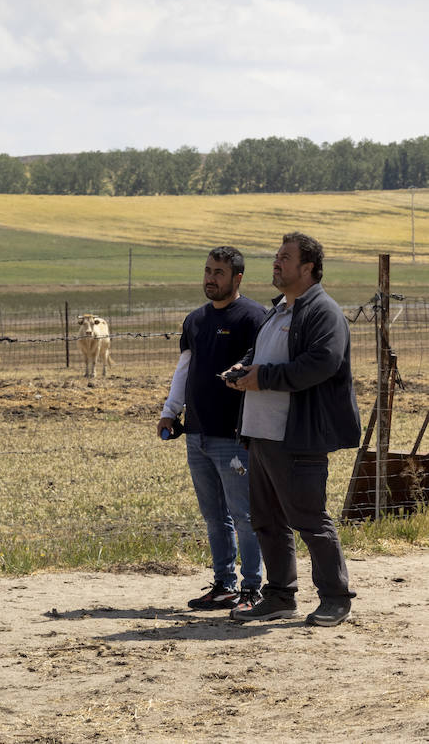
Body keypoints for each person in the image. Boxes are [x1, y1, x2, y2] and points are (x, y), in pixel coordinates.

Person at [225, 232, 360, 627]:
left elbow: (322, 363)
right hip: (263, 434)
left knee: (309, 520)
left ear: (308, 268)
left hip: (299, 436)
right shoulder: (279, 310)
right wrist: (242, 369)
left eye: (285, 257)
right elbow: (260, 355)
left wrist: (262, 377)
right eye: (276, 256)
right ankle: (280, 596)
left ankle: (336, 598)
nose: (276, 262)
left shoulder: (323, 311)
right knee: (266, 520)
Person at [158, 247, 267, 610]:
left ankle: (254, 589)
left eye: (218, 272)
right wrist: (170, 411)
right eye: (207, 270)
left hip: (235, 437)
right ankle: (224, 585)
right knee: (214, 517)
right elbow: (184, 369)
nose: (210, 278)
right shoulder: (195, 321)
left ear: (237, 278)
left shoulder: (255, 318)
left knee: (245, 515)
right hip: (197, 434)